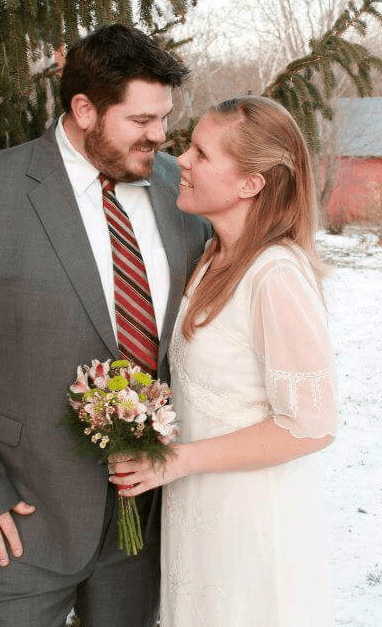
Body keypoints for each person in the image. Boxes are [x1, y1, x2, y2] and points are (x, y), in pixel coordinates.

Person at [0, 24, 210, 627]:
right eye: (141, 119)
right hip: (19, 518)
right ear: (84, 110)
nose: (160, 134)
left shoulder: (182, 187)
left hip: (144, 522)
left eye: (164, 117)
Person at [109, 96, 339, 626]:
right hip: (201, 514)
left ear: (250, 183)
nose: (181, 160)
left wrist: (179, 460)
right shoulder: (213, 255)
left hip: (252, 523)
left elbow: (312, 427)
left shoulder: (275, 275)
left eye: (201, 153)